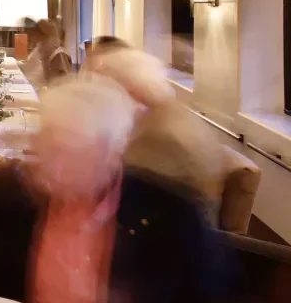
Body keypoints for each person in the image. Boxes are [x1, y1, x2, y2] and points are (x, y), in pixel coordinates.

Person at [0, 79, 238, 303]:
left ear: (112, 154)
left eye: (67, 152)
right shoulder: (12, 195)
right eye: (46, 146)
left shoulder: (170, 218)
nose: (50, 165)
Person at [91, 48, 227, 217]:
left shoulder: (158, 136)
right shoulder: (169, 113)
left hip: (172, 226)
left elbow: (125, 194)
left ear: (130, 90)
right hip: (173, 213)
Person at [21, 19, 71, 85]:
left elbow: (56, 85)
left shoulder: (55, 54)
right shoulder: (40, 47)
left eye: (34, 33)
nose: (31, 37)